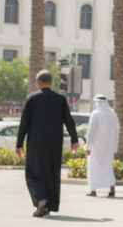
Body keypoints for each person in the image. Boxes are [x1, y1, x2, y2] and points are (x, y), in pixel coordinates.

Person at [15, 70, 79, 217]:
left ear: (38, 83)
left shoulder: (32, 98)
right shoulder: (60, 99)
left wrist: (19, 144)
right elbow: (69, 120)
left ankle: (41, 199)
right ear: (50, 82)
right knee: (52, 173)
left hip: (36, 142)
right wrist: (74, 139)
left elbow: (24, 123)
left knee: (33, 172)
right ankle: (49, 204)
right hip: (54, 143)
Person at [85, 94, 119, 198]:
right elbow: (117, 132)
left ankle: (93, 190)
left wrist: (88, 147)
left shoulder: (95, 114)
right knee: (108, 166)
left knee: (94, 167)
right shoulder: (112, 114)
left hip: (96, 147)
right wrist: (115, 148)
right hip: (109, 147)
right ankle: (112, 188)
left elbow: (91, 132)